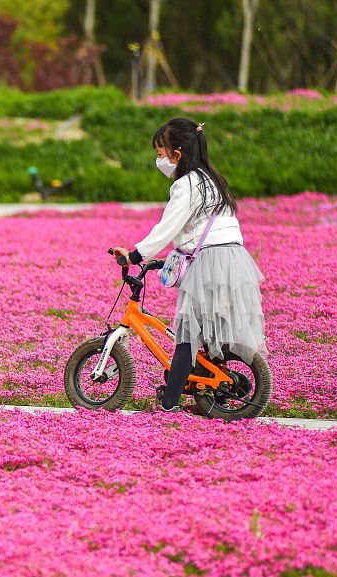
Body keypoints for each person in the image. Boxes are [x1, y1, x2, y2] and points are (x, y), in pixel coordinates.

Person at [111, 117, 266, 413]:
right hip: (232, 258)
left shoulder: (186, 185)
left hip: (210, 261)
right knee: (208, 330)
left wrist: (133, 256)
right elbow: (197, 231)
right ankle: (208, 389)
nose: (159, 161)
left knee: (187, 330)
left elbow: (167, 228)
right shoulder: (212, 179)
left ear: (176, 154)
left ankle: (170, 403)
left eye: (160, 154)